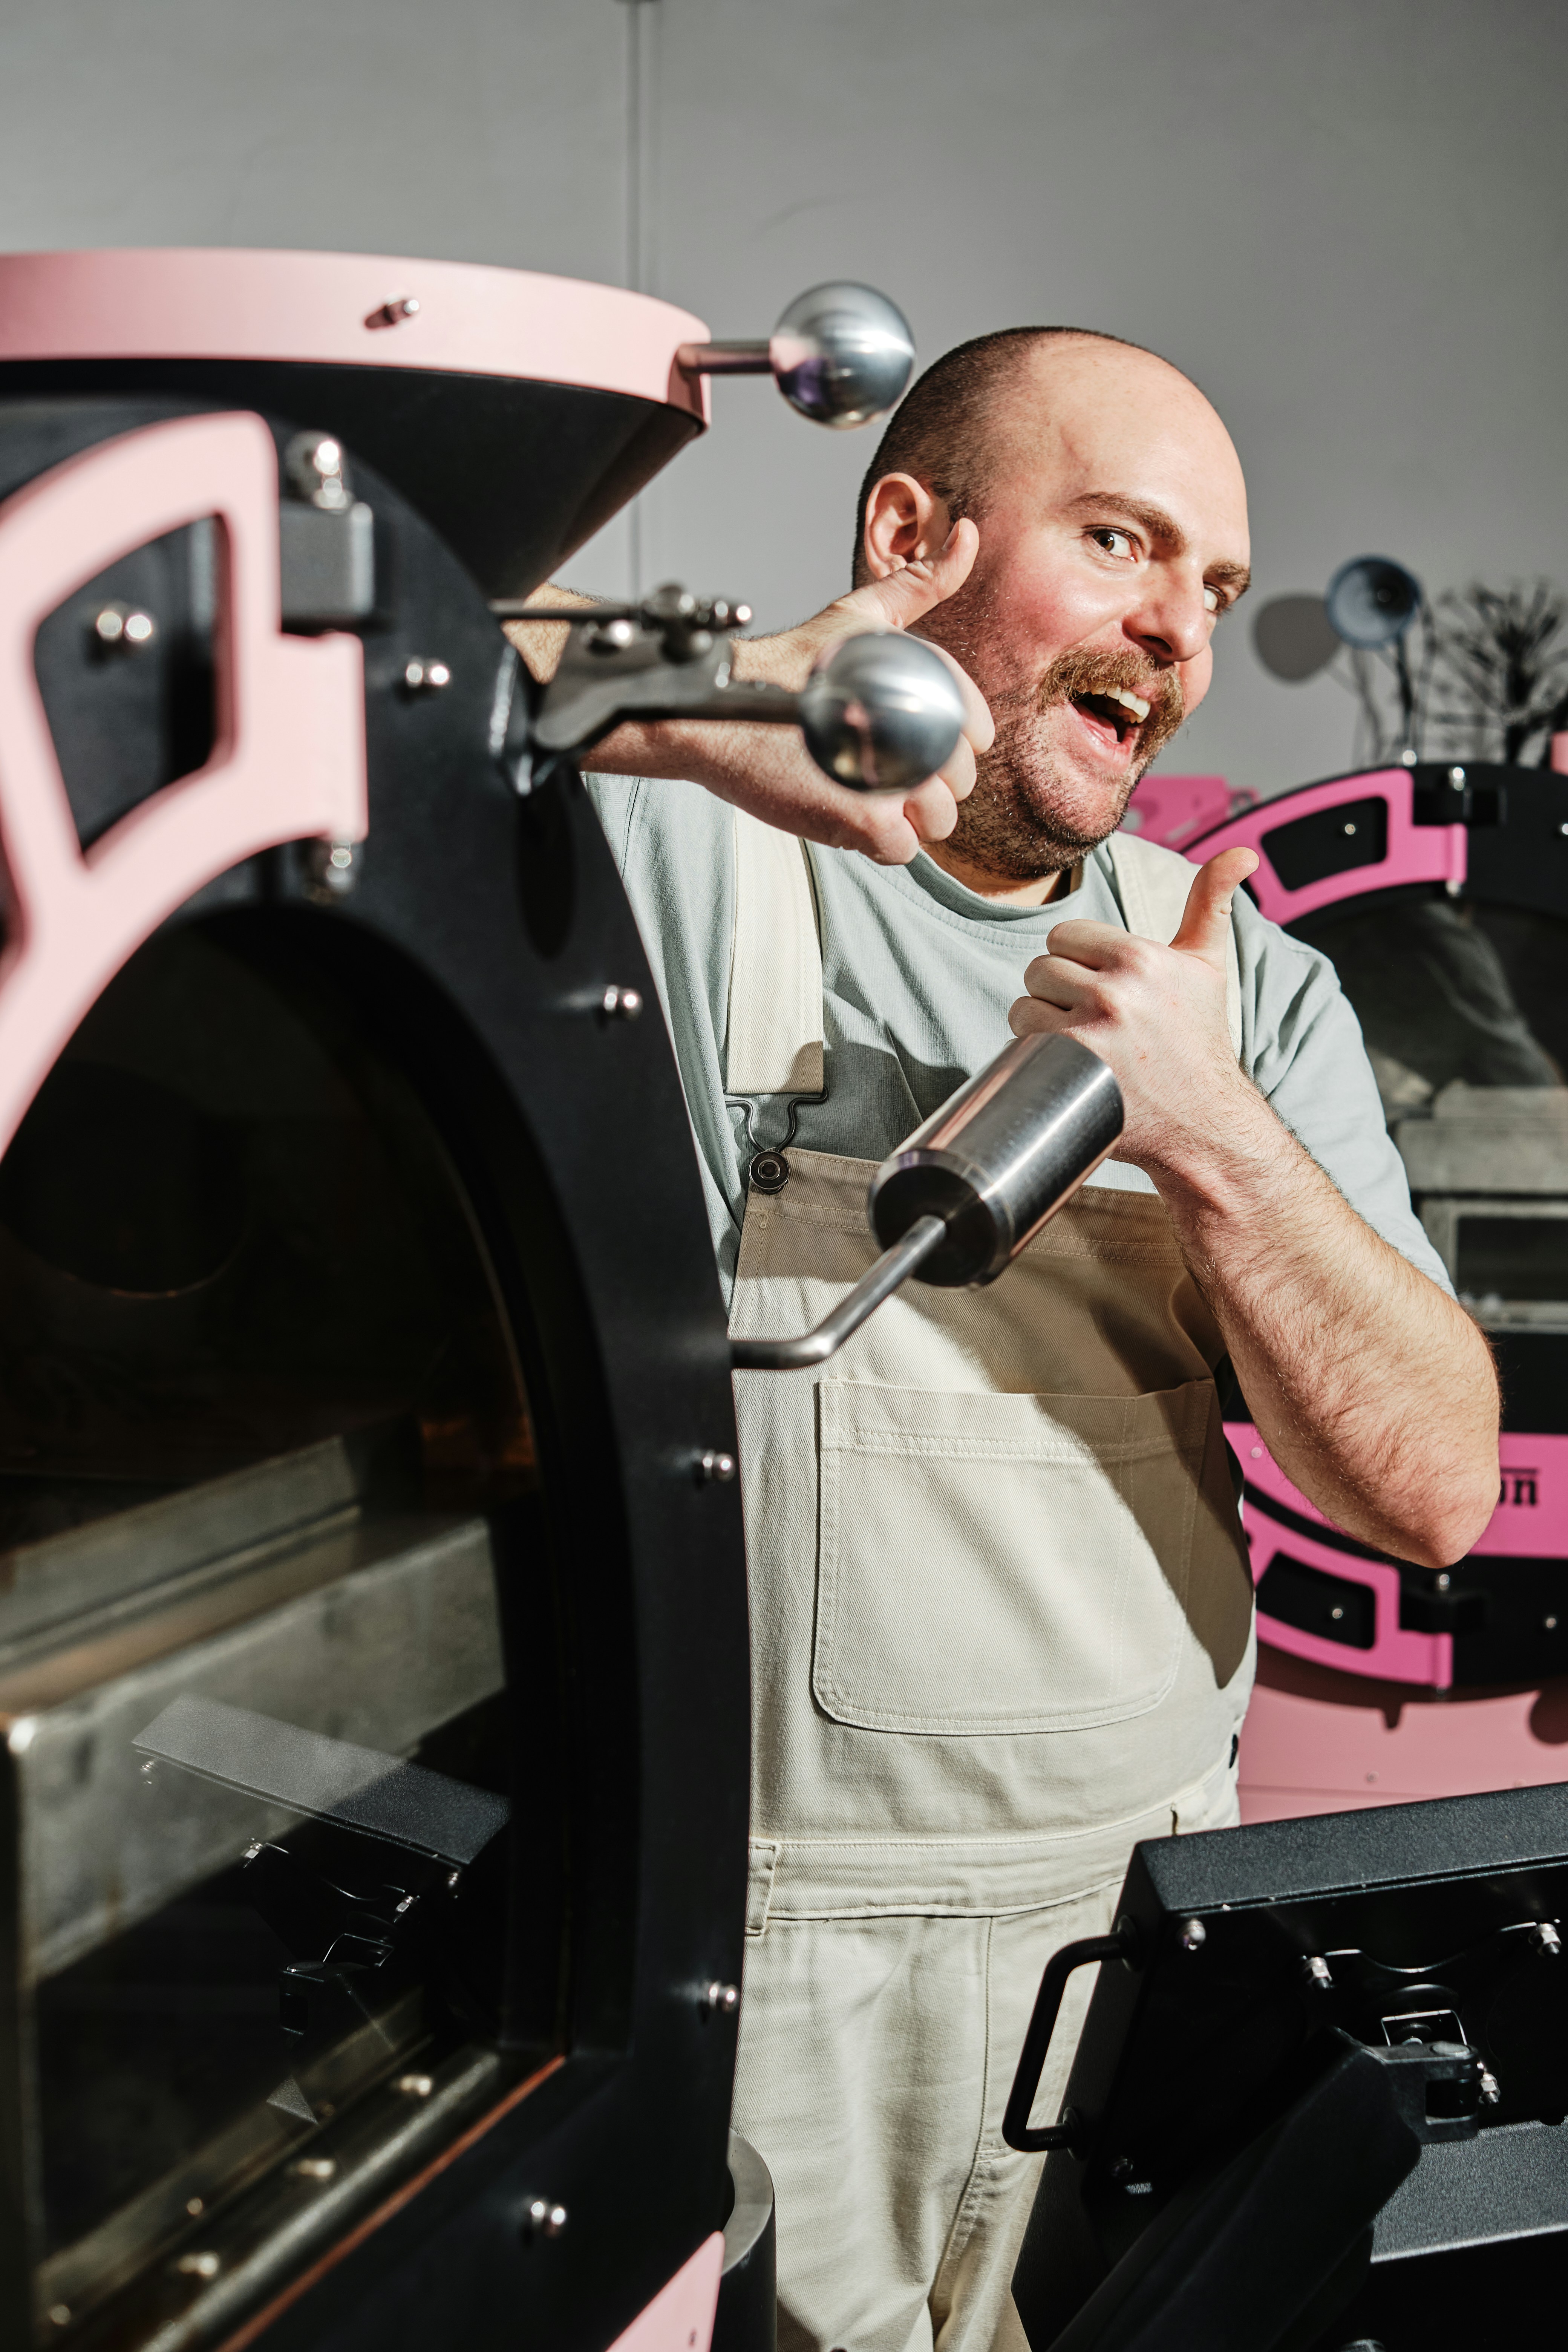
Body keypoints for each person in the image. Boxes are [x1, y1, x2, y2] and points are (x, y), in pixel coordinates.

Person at [509, 328, 1499, 2352]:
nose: (1180, 633)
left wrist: (1210, 1130)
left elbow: (1434, 1493)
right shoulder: (678, 849)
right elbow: (311, 640)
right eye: (1123, 542)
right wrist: (690, 698)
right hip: (756, 1963)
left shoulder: (1246, 983)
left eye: (1214, 591)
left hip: (1128, 1964)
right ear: (912, 534)